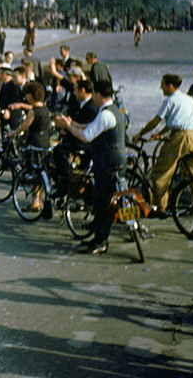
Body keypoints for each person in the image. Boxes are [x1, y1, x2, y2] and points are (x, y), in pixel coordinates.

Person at [54, 81, 126, 255]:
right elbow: (89, 127)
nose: (93, 97)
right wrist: (72, 123)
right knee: (99, 200)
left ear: (99, 95)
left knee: (102, 202)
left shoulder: (106, 115)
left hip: (108, 163)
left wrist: (68, 127)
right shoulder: (110, 110)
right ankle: (97, 237)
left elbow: (86, 136)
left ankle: (101, 241)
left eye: (94, 94)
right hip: (109, 161)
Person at [131, 74, 193, 216]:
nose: (160, 87)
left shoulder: (169, 101)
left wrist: (139, 134)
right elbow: (177, 119)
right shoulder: (188, 99)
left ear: (170, 86)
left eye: (162, 84)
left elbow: (155, 121)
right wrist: (161, 134)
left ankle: (160, 208)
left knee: (160, 173)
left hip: (181, 138)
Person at [8, 82, 52, 213]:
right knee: (42, 172)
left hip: (34, 141)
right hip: (45, 141)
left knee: (32, 172)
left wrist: (13, 132)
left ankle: (35, 202)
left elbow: (24, 126)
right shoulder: (45, 109)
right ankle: (39, 199)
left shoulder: (33, 112)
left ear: (31, 96)